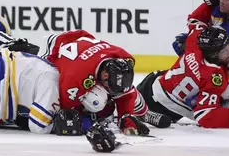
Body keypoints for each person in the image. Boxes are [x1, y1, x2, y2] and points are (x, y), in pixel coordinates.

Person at [38, 29, 168, 133]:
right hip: (53, 52)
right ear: (105, 74)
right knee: (95, 102)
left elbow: (126, 94)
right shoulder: (74, 80)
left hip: (82, 47)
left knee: (125, 90)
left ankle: (143, 113)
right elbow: (67, 112)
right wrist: (88, 122)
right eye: (107, 84)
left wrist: (126, 119)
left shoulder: (123, 58)